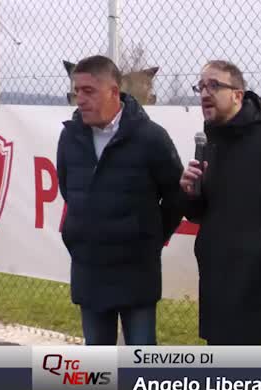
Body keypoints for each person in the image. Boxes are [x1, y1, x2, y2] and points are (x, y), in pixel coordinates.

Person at [179, 60, 261, 345]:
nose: (204, 93)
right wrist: (190, 193)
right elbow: (199, 213)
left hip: (253, 282)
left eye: (214, 85)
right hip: (215, 276)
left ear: (238, 95)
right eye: (200, 86)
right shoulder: (209, 140)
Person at [56, 55, 184, 345]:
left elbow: (176, 198)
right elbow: (70, 192)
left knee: (141, 365)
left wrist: (149, 237)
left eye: (89, 91)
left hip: (136, 272)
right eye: (77, 91)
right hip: (89, 270)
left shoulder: (151, 138)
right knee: (98, 368)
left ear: (114, 91)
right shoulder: (70, 138)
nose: (80, 99)